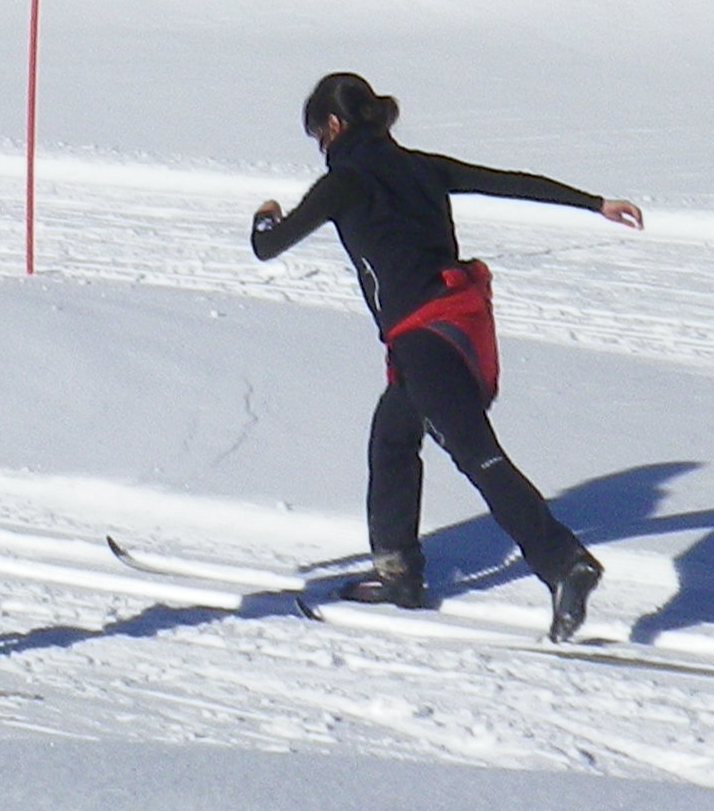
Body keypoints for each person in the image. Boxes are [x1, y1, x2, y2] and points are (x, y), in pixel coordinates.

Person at [248, 71, 641, 641]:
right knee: (393, 438)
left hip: (423, 337)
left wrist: (266, 214)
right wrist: (594, 203)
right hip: (462, 322)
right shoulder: (421, 167)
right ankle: (399, 573)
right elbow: (506, 182)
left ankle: (563, 563)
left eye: (318, 135)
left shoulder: (345, 183)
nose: (321, 147)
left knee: (478, 456)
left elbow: (267, 247)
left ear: (333, 126)